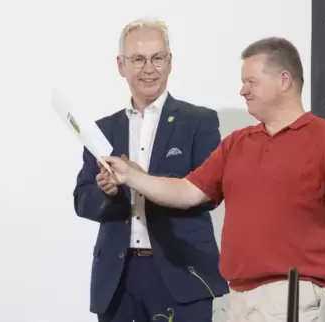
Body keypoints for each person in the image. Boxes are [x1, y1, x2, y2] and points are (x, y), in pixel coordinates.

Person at [102, 37, 325, 322]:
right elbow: (186, 192)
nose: (242, 91)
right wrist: (132, 176)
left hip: (293, 293)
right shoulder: (238, 142)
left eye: (250, 82)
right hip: (240, 297)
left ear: (283, 80)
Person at [72, 19, 229, 322]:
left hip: (181, 273)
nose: (149, 69)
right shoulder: (103, 130)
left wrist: (138, 179)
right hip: (118, 280)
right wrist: (107, 191)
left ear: (170, 62)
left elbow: (210, 192)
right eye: (139, 59)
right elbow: (82, 200)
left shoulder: (199, 121)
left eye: (158, 58)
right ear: (121, 65)